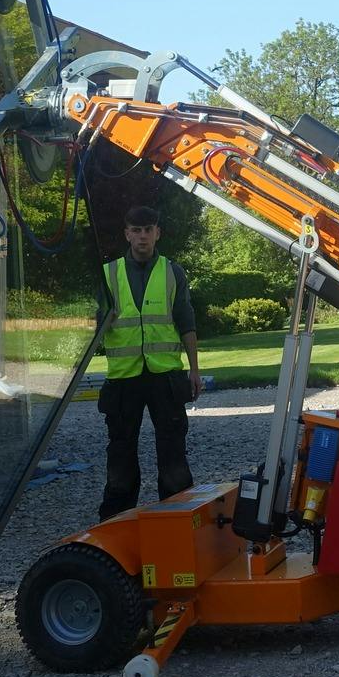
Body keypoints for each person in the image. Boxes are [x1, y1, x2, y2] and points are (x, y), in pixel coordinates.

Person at [95, 204, 203, 516]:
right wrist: (103, 321)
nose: (142, 236)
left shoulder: (173, 271)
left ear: (157, 233)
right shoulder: (108, 273)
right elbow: (96, 328)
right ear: (127, 234)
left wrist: (195, 370)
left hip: (165, 376)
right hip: (123, 378)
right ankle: (116, 521)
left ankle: (177, 516)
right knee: (120, 451)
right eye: (136, 230)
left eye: (148, 230)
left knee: (172, 452)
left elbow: (187, 321)